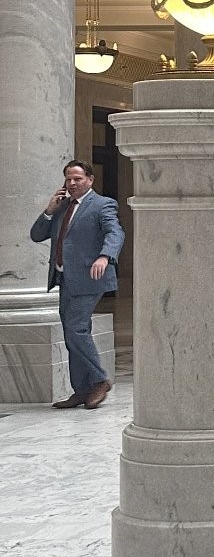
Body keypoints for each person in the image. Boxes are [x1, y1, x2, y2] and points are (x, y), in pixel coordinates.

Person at [29, 160, 124, 410]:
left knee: (76, 330)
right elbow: (37, 234)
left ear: (90, 180)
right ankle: (81, 390)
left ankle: (100, 380)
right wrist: (49, 210)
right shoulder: (62, 207)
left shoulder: (103, 204)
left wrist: (105, 256)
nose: (72, 184)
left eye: (77, 179)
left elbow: (115, 233)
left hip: (90, 278)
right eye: (68, 179)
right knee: (73, 335)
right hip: (64, 279)